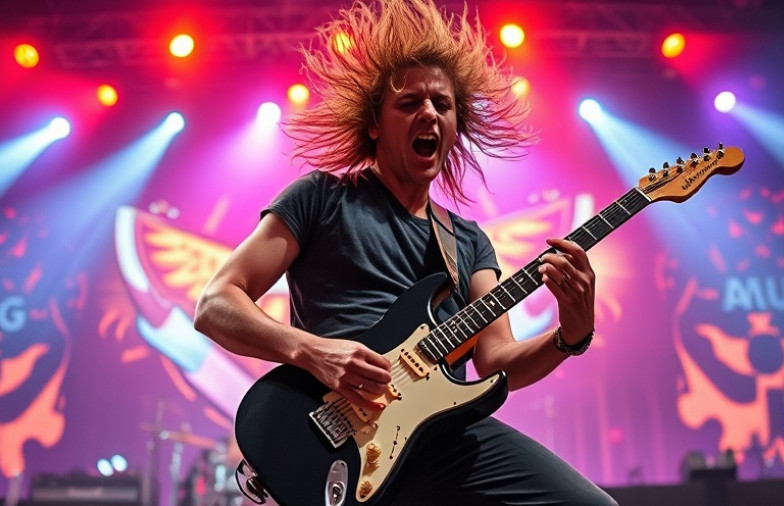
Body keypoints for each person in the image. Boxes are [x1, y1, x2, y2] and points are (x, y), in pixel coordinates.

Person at [194, 0, 619, 504]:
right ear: (374, 124)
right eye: (409, 102)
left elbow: (497, 359)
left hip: (441, 435)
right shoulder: (322, 199)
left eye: (443, 104)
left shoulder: (466, 241)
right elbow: (216, 304)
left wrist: (571, 333)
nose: (429, 114)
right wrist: (312, 352)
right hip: (340, 438)